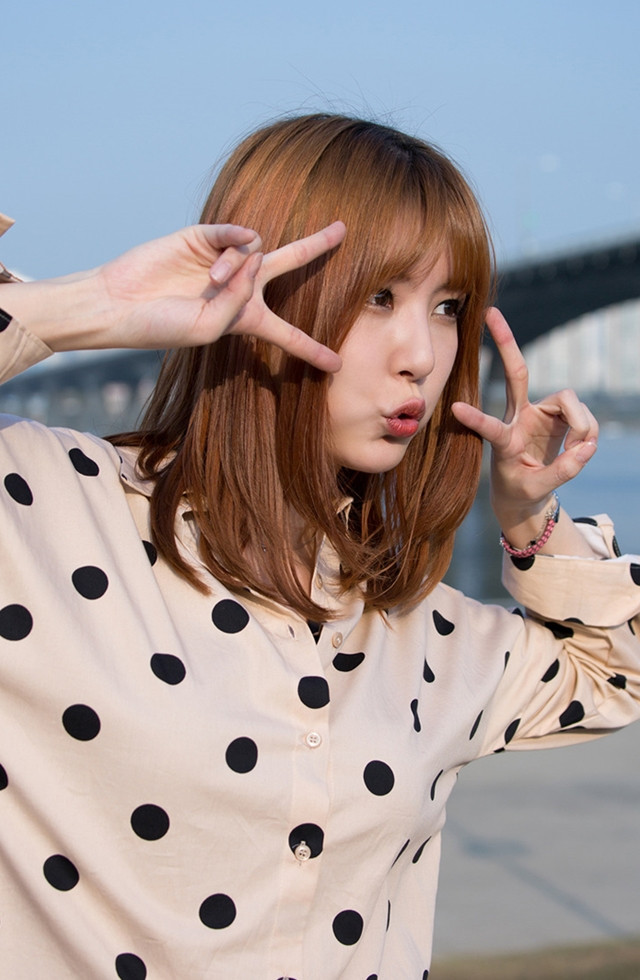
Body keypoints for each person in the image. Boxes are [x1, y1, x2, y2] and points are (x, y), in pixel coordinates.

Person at [0, 113, 638, 980]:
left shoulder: (423, 632)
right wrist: (92, 306)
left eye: (447, 308)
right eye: (379, 297)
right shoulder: (47, 514)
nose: (422, 355)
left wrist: (530, 515)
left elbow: (613, 671)